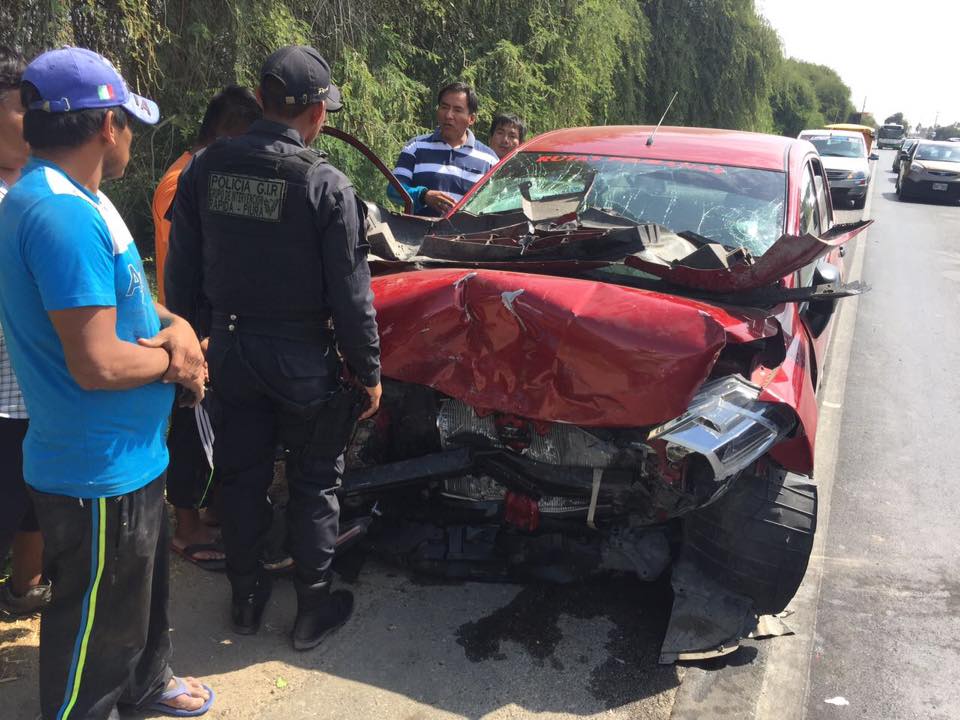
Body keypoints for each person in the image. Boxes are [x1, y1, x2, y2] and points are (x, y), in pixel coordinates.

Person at [0, 47, 213, 717]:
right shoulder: (60, 216)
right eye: (127, 122)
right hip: (95, 469)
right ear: (104, 125)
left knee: (136, 598)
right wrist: (179, 363)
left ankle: (148, 680)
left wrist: (176, 325)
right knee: (94, 630)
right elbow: (97, 363)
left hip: (128, 454)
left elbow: (130, 305)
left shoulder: (81, 197)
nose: (129, 137)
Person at [166, 45, 382, 651]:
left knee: (240, 477)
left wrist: (192, 341)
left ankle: (245, 600)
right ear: (317, 113)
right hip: (302, 360)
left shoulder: (203, 170)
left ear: (261, 99)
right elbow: (351, 293)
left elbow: (181, 272)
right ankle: (312, 610)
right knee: (315, 483)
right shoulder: (326, 184)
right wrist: (368, 371)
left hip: (230, 353)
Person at [152, 85, 261, 571]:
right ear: (231, 134)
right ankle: (186, 525)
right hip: (188, 323)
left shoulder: (202, 171)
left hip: (206, 318)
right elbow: (188, 260)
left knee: (212, 420)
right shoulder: (183, 180)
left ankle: (211, 506)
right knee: (191, 424)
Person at [0, 45, 51, 617]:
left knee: (34, 502)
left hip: (37, 391)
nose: (34, 124)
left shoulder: (38, 187)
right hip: (3, 396)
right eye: (22, 109)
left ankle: (24, 590)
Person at [387, 81, 498, 216]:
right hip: (417, 230)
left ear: (471, 119)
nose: (448, 115)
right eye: (444, 107)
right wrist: (423, 196)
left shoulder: (489, 160)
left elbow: (498, 205)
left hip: (468, 231)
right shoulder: (415, 147)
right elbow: (393, 190)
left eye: (457, 110)